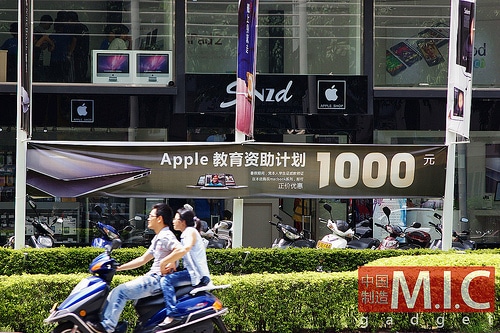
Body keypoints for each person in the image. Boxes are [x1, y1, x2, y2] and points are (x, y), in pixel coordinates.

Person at [87, 203, 181, 333]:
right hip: (152, 277)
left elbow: (179, 249)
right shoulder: (159, 237)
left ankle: (107, 327)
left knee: (120, 292)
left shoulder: (166, 235)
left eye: (151, 216)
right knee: (117, 292)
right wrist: (119, 268)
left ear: (159, 219)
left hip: (156, 280)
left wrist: (171, 261)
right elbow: (143, 260)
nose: (148, 218)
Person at [157, 206, 211, 329]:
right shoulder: (185, 233)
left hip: (197, 275)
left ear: (183, 221)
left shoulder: (190, 232)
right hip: (192, 272)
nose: (173, 221)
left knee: (165, 281)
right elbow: (183, 253)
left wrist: (165, 261)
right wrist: (172, 263)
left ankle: (172, 314)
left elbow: (185, 249)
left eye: (175, 219)